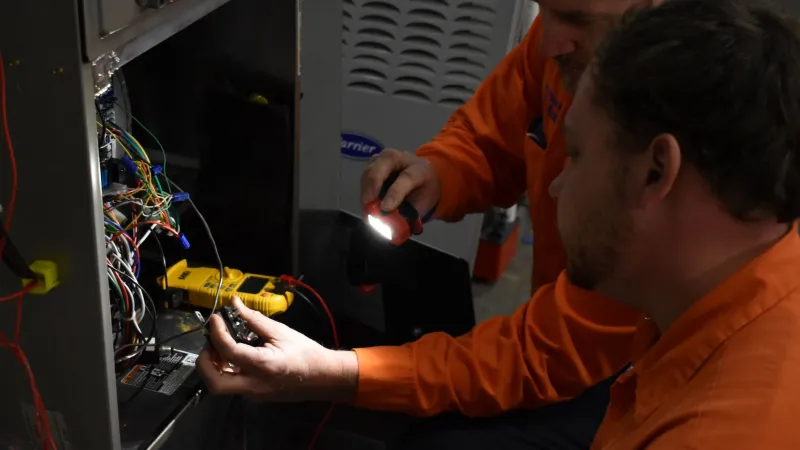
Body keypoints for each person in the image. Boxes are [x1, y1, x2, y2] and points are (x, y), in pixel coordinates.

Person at [199, 0, 800, 449]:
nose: (557, 183)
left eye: (580, 155)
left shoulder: (725, 424)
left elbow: (540, 353)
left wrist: (339, 372)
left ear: (656, 171)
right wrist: (441, 174)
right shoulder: (720, 256)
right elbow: (498, 129)